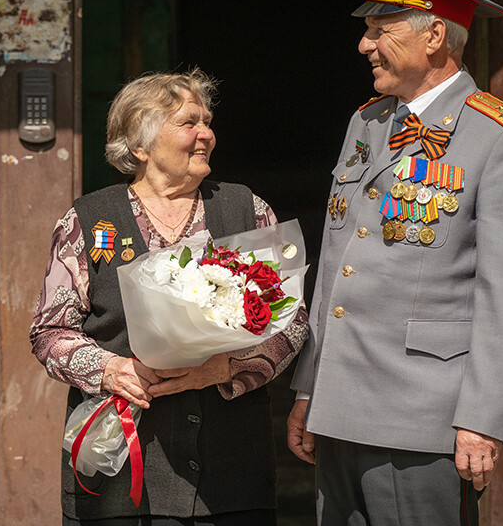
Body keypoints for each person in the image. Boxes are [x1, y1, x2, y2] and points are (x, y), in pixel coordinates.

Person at [286, 0, 503, 525]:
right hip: (339, 409)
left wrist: (482, 420)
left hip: (422, 422)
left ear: (434, 36)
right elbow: (336, 272)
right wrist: (309, 390)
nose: (363, 45)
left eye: (380, 31)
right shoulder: (367, 122)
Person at [30, 69, 310, 525]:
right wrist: (112, 369)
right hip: (121, 474)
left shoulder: (247, 210)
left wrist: (230, 368)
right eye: (188, 122)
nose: (206, 135)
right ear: (140, 146)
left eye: (207, 121)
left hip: (230, 477)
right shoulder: (88, 220)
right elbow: (49, 331)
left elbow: (292, 319)